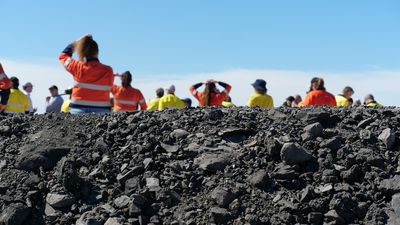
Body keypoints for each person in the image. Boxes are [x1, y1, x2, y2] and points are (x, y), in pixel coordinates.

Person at [59, 34, 114, 114]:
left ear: (82, 52)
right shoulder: (108, 71)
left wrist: (78, 42)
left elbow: (63, 55)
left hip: (78, 111)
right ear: (97, 52)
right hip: (102, 113)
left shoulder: (77, 66)